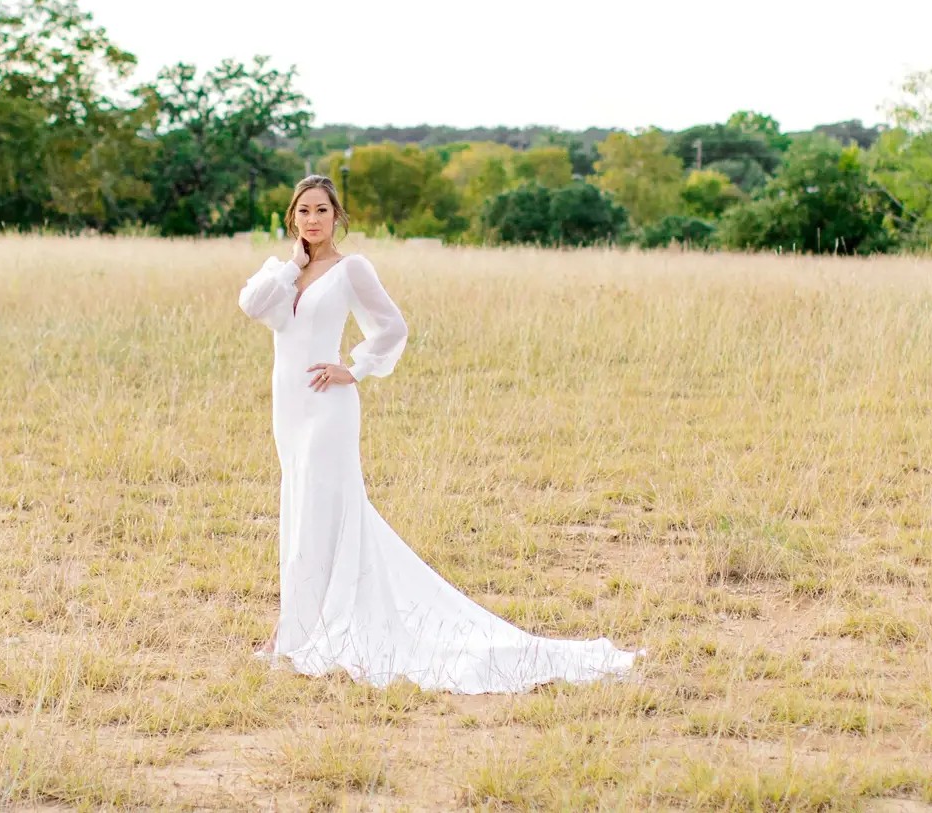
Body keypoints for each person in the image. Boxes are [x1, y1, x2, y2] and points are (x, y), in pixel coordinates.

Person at [235, 174, 641, 694]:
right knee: (297, 510)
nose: (312, 220)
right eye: (303, 211)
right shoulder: (283, 274)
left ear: (338, 216)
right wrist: (293, 264)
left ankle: (296, 632)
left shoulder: (350, 269)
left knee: (324, 510)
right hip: (288, 410)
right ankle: (295, 627)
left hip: (328, 408)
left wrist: (353, 369)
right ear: (292, 217)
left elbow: (391, 327)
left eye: (322, 210)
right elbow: (252, 307)